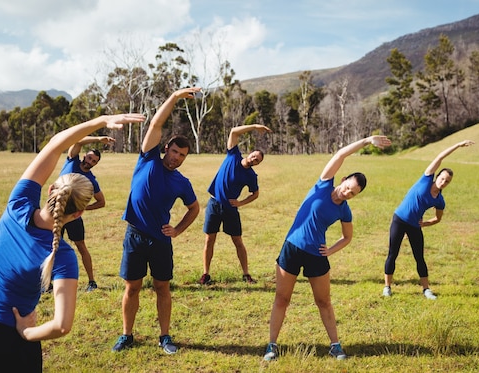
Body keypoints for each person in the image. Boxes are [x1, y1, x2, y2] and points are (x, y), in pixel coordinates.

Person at [0, 113, 146, 372]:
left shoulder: (18, 204)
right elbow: (62, 325)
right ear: (78, 213)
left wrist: (101, 120)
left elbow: (56, 143)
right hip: (7, 335)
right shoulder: (62, 256)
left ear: (49, 190)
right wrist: (26, 332)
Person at [263, 135, 392, 361]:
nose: (346, 193)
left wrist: (330, 250)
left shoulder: (344, 211)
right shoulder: (323, 184)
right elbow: (340, 154)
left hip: (316, 255)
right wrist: (367, 141)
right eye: (347, 187)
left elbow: (347, 237)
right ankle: (271, 345)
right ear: (342, 180)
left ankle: (335, 345)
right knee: (282, 298)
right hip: (292, 247)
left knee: (323, 301)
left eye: (352, 194)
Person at [112, 87, 201, 354]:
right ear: (166, 148)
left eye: (182, 155)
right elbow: (156, 123)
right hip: (135, 235)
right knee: (132, 287)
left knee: (162, 287)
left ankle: (164, 336)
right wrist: (174, 97)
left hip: (161, 240)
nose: (177, 158)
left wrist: (177, 230)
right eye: (174, 151)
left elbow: (195, 209)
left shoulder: (182, 182)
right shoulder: (147, 158)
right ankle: (127, 335)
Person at [382, 140, 474, 300]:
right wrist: (457, 145)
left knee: (419, 257)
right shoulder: (425, 180)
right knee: (392, 254)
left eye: (447, 181)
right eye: (443, 178)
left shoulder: (439, 200)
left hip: (414, 226)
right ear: (437, 176)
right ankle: (387, 287)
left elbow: (438, 218)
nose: (443, 182)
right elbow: (440, 157)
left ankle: (426, 289)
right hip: (399, 219)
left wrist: (424, 223)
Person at [199, 124, 272, 285]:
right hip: (214, 204)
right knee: (209, 240)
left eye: (258, 160)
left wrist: (240, 202)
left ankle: (246, 274)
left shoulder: (251, 176)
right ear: (250, 153)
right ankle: (205, 274)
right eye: (254, 156)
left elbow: (256, 193)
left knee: (238, 241)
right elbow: (233, 131)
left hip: (230, 209)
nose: (254, 159)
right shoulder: (233, 155)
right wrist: (254, 127)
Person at [60, 136, 115, 292]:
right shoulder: (72, 161)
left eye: (94, 162)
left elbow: (101, 202)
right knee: (51, 246)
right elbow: (77, 141)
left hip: (73, 216)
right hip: (56, 212)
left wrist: (83, 209)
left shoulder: (91, 180)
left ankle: (92, 282)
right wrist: (98, 138)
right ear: (85, 155)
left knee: (81, 246)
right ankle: (47, 282)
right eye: (89, 158)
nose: (90, 162)